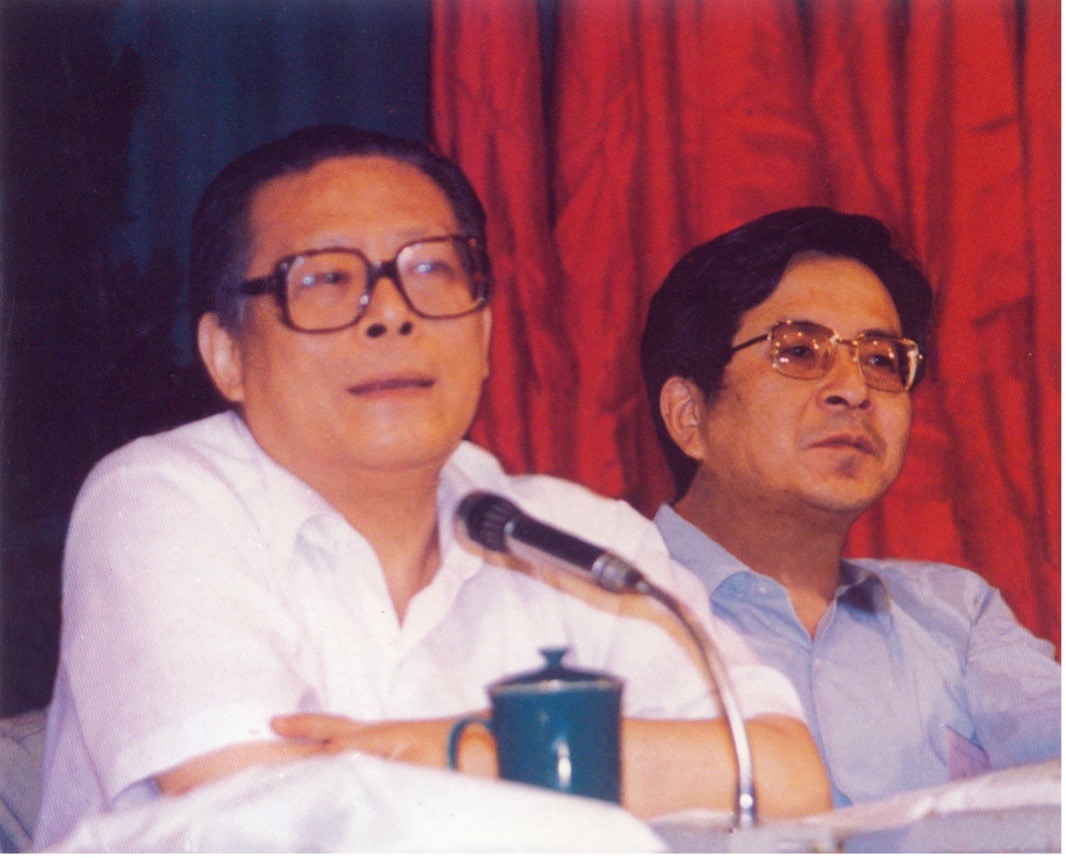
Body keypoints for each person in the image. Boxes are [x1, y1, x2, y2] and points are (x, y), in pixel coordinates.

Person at [34, 127, 829, 848]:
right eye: (324, 279)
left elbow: (785, 777)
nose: (389, 315)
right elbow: (272, 818)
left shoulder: (578, 538)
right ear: (227, 355)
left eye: (429, 270)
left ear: (482, 334)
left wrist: (457, 747)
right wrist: (592, 768)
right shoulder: (161, 502)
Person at [640, 207, 1061, 807]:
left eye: (882, 360)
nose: (855, 389)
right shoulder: (599, 607)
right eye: (800, 351)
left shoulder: (957, 616)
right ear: (690, 416)